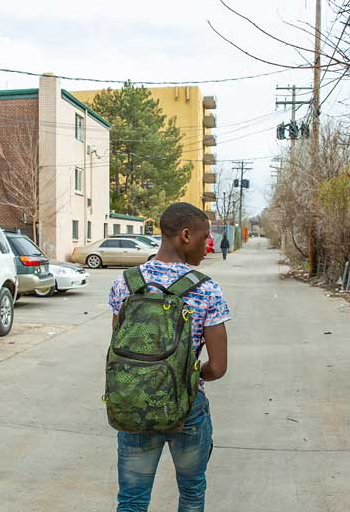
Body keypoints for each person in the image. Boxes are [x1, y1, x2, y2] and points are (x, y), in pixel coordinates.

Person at [108, 202, 231, 512]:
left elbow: (119, 348)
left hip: (134, 406)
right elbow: (218, 367)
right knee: (191, 494)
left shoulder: (126, 282)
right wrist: (189, 373)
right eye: (205, 238)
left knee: (132, 501)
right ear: (186, 236)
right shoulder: (207, 290)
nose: (208, 246)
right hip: (186, 408)